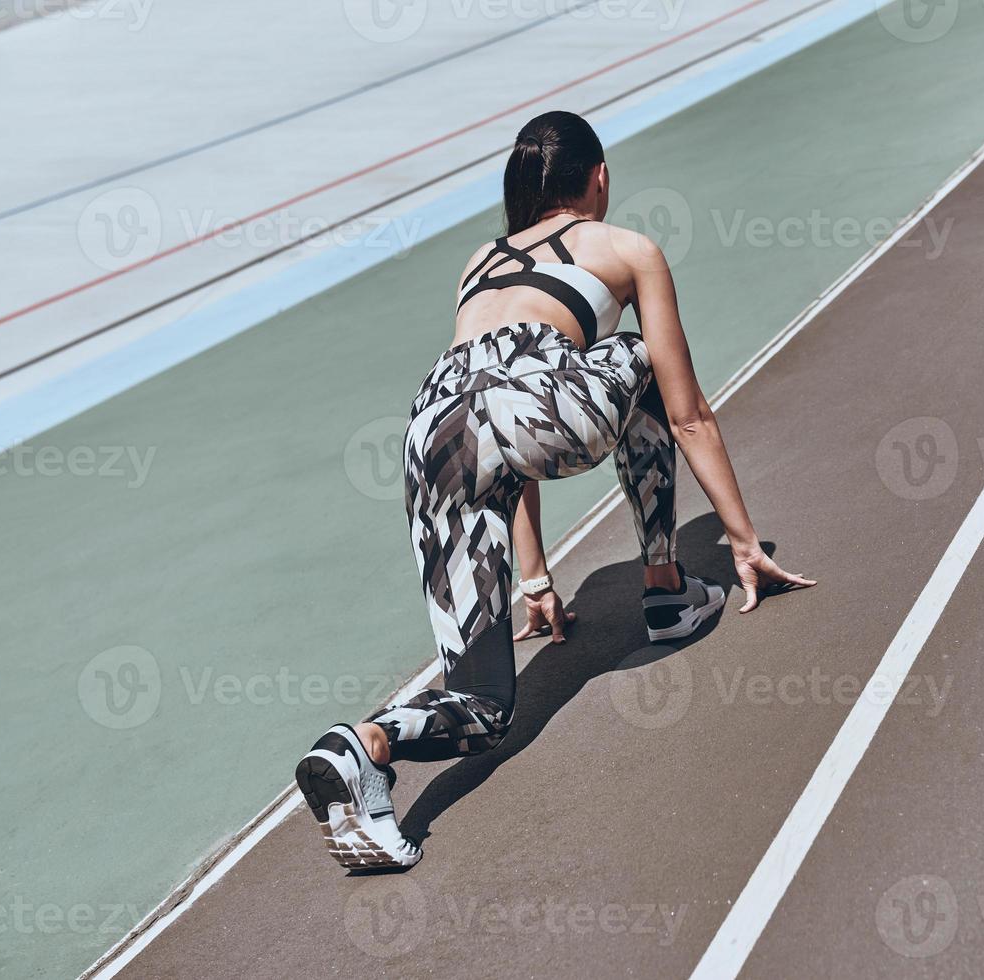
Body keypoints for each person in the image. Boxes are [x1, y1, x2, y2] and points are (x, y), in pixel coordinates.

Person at [294, 110, 814, 869]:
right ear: (598, 178)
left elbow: (493, 420)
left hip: (433, 432)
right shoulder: (627, 248)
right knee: (637, 355)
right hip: (538, 408)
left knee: (482, 707)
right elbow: (687, 413)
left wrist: (532, 578)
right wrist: (741, 539)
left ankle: (363, 745)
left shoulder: (479, 259)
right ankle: (666, 586)